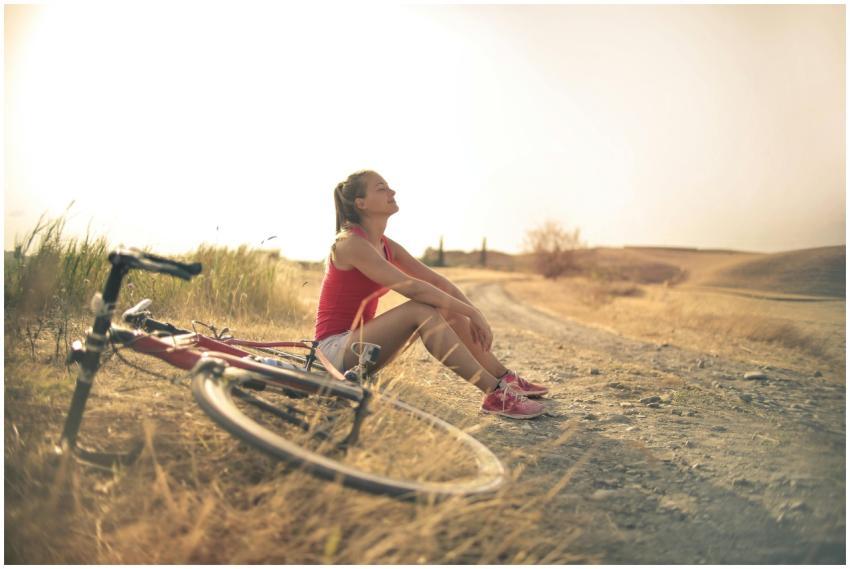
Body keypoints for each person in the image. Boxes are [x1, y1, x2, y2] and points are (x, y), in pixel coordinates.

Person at [314, 170, 549, 419]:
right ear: (360, 203)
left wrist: (472, 312)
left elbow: (435, 280)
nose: (391, 192)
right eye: (381, 188)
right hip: (332, 352)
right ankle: (494, 393)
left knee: (446, 306)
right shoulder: (350, 243)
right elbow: (412, 286)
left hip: (363, 350)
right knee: (421, 309)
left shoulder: (385, 245)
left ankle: (504, 378)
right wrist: (470, 312)